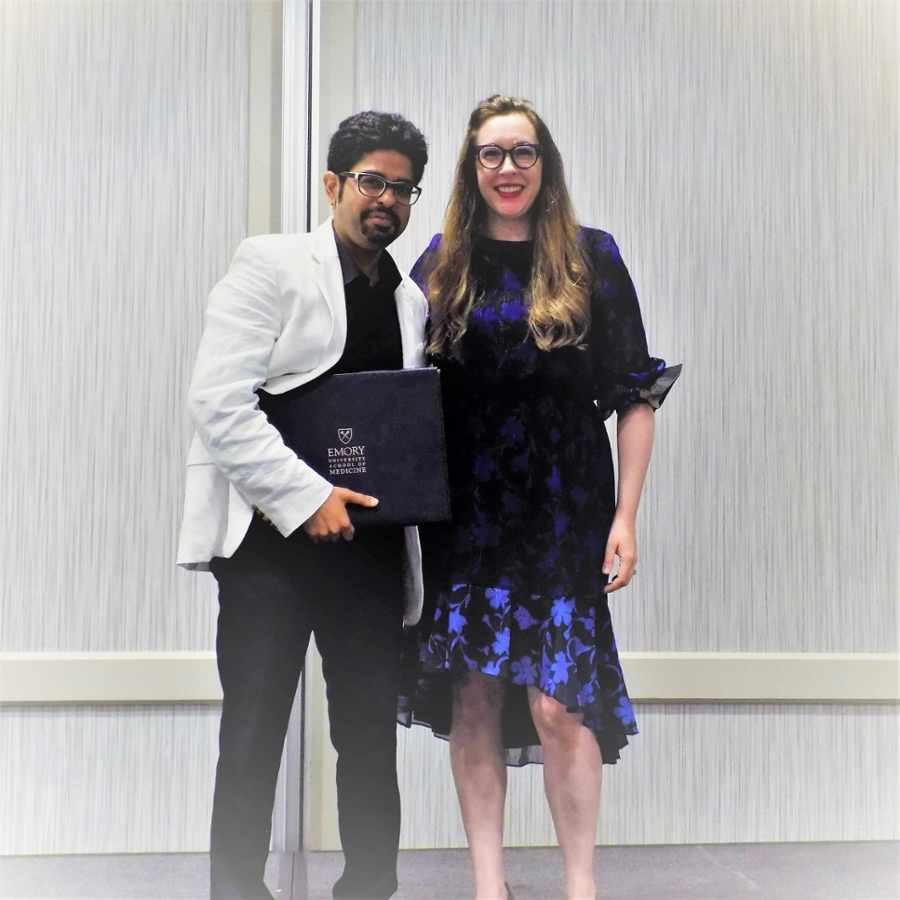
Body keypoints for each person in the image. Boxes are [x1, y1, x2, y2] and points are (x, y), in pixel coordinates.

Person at [399, 95, 680, 900]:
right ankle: (490, 884)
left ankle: (579, 885)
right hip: (470, 513)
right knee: (474, 692)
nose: (508, 169)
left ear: (545, 165)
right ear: (471, 168)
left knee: (561, 703)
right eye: (491, 154)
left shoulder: (592, 257)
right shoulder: (443, 260)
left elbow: (635, 394)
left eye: (523, 153)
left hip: (564, 512)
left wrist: (627, 516)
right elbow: (406, 387)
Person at [177, 111, 429, 900]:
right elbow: (218, 403)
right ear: (333, 185)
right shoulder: (271, 264)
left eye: (403, 187)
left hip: (372, 552)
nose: (386, 198)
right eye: (372, 181)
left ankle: (370, 889)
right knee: (251, 735)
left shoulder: (413, 299)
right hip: (268, 550)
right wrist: (306, 495)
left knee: (367, 741)